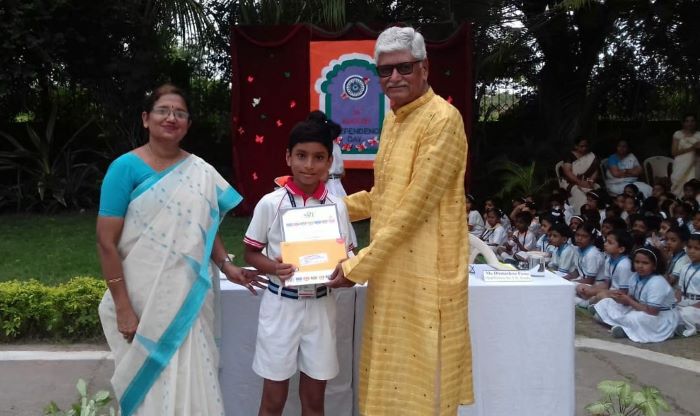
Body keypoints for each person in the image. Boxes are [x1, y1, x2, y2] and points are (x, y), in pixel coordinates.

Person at [325, 26, 473, 415]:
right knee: (388, 377)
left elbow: (412, 208)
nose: (394, 78)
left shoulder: (442, 120)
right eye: (385, 70)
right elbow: (385, 196)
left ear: (424, 68)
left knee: (423, 384)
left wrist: (358, 265)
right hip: (391, 271)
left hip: (427, 273)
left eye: (404, 68)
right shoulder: (393, 119)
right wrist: (323, 207)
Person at [96, 84, 263, 416]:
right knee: (151, 384)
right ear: (146, 119)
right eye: (163, 110)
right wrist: (124, 307)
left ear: (188, 124)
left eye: (180, 113)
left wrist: (227, 265)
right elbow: (105, 241)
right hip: (143, 299)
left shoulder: (201, 171)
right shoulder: (124, 168)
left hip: (189, 298)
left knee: (195, 374)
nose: (171, 118)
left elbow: (205, 225)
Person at [243, 113, 356, 416]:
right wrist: (273, 267)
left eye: (318, 157)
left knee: (314, 401)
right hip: (282, 304)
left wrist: (345, 273)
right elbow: (251, 253)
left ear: (329, 162)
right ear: (288, 157)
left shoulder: (337, 206)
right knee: (273, 401)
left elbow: (349, 259)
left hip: (321, 305)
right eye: (301, 155)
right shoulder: (271, 203)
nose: (309, 165)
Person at [590, 247, 679, 343]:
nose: (640, 266)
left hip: (660, 316)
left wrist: (628, 300)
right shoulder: (634, 277)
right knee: (607, 302)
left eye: (645, 263)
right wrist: (620, 298)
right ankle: (614, 320)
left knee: (635, 317)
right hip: (641, 308)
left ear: (654, 266)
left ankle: (624, 329)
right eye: (637, 262)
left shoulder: (657, 282)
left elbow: (652, 312)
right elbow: (632, 299)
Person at [575, 229, 634, 306]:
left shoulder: (624, 265)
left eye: (610, 243)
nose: (605, 244)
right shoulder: (608, 259)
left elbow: (623, 292)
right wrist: (592, 289)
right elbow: (606, 284)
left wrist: (596, 292)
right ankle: (591, 302)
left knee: (601, 295)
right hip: (610, 291)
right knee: (580, 287)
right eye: (606, 241)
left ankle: (587, 304)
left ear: (621, 249)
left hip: (620, 297)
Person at [559, 136, 601, 214]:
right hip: (571, 182)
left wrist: (590, 182)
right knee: (581, 197)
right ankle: (581, 215)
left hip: (587, 181)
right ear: (576, 146)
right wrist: (580, 182)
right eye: (581, 146)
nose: (584, 148)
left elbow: (595, 171)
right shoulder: (569, 156)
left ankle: (597, 215)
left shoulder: (591, 156)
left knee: (597, 191)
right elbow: (567, 172)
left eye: (586, 146)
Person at [675, 233, 700, 337]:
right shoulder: (685, 268)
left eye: (697, 248)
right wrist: (675, 303)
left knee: (685, 313)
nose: (691, 251)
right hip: (685, 302)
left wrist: (691, 306)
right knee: (670, 311)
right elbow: (679, 291)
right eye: (689, 247)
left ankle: (688, 328)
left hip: (697, 306)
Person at [670, 113, 700, 197]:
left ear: (696, 122)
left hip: (695, 164)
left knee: (693, 185)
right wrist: (692, 148)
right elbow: (674, 152)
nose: (690, 123)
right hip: (680, 164)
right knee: (677, 184)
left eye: (692, 121)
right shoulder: (678, 134)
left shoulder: (699, 135)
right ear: (683, 123)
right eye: (687, 121)